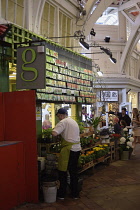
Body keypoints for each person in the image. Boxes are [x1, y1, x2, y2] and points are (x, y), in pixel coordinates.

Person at [52, 108, 81, 200]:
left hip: (69, 149)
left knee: (62, 171)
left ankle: (61, 194)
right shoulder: (73, 121)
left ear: (60, 115)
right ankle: (75, 194)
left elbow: (54, 133)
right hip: (77, 148)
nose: (58, 118)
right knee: (73, 172)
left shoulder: (63, 122)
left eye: (58, 116)